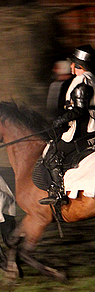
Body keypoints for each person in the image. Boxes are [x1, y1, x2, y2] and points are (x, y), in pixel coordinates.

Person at [39, 44, 95, 206]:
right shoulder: (91, 78)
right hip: (87, 126)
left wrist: (61, 120)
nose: (71, 66)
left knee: (52, 152)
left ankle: (58, 192)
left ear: (80, 65)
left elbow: (79, 110)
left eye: (73, 63)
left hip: (85, 129)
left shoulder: (82, 81)